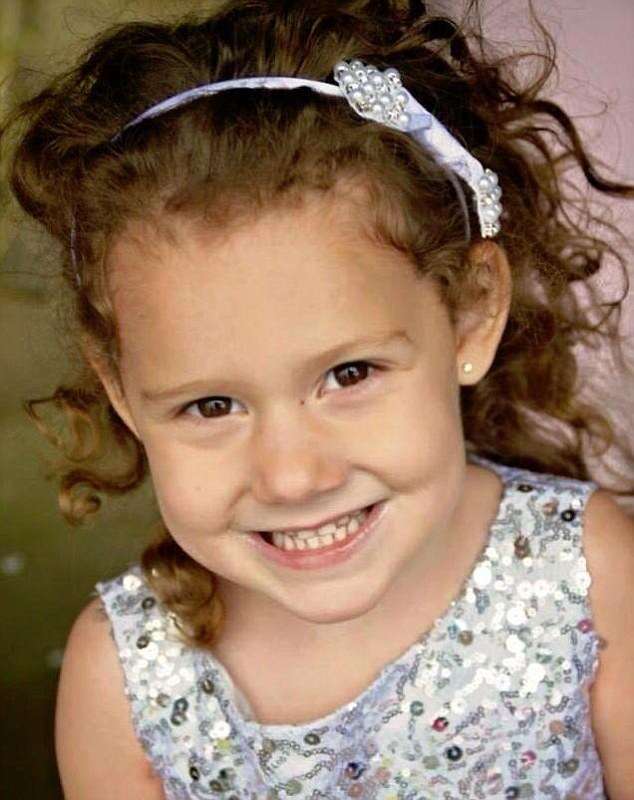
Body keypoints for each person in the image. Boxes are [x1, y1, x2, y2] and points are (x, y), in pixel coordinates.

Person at [2, 0, 634, 797]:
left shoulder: (585, 572)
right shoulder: (121, 679)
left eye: (349, 374)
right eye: (212, 406)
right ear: (120, 389)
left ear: (471, 314)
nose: (293, 477)